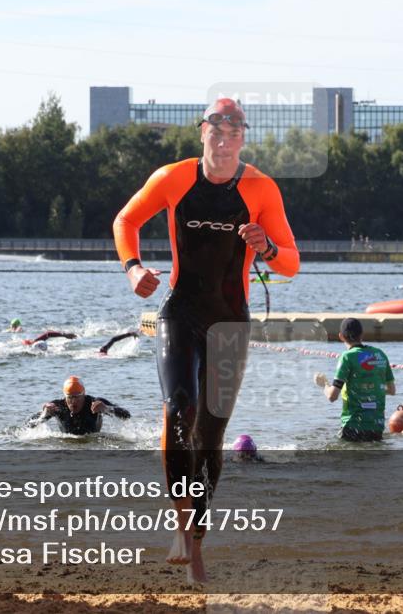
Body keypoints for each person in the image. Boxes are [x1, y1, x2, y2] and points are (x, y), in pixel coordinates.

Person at [113, 97, 299, 582]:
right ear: (202, 133)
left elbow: (291, 263)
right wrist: (133, 268)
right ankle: (179, 525)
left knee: (211, 436)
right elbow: (125, 221)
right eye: (215, 128)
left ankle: (196, 541)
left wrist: (268, 246)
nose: (223, 136)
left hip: (230, 322)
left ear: (243, 137)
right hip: (179, 313)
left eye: (233, 128)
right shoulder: (172, 178)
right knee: (179, 408)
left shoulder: (261, 187)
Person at [316, 318, 396, 442]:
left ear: (341, 337)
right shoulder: (379, 354)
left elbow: (332, 396)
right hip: (377, 427)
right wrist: (369, 388)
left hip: (353, 426)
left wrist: (324, 384)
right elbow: (391, 390)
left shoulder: (347, 357)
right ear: (362, 335)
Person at [27, 375, 130, 435]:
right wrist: (43, 415)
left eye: (77, 397)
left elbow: (126, 415)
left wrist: (107, 409)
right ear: (65, 396)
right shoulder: (57, 406)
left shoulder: (95, 403)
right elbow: (28, 425)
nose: (73, 401)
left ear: (83, 394)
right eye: (70, 397)